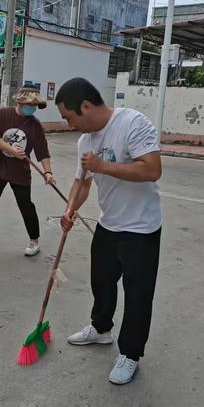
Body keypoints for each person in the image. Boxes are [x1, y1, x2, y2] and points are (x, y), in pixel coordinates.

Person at [56, 78, 162, 385]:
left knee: (138, 294)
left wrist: (104, 166)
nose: (68, 124)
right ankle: (101, 329)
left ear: (86, 106)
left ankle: (130, 353)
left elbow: (152, 169)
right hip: (109, 224)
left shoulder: (132, 123)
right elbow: (83, 181)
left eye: (68, 117)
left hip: (141, 228)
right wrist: (70, 208)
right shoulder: (85, 141)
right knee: (101, 281)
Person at [0, 84, 54, 256]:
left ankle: (34, 241)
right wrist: (11, 150)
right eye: (29, 105)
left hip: (20, 170)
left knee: (26, 205)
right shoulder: (4, 114)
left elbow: (42, 151)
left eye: (35, 106)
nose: (32, 108)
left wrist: (48, 172)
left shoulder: (35, 125)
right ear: (20, 101)